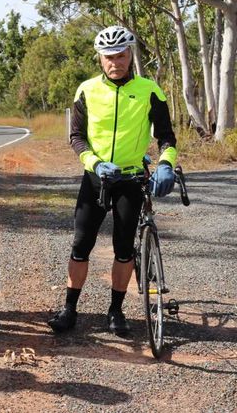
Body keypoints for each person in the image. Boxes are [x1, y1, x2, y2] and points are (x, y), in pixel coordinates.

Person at [48, 25, 178, 336]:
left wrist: (166, 165)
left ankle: (116, 310)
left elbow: (167, 138)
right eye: (108, 57)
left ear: (130, 55)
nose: (114, 62)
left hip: (131, 180)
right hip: (96, 179)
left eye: (120, 55)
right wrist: (93, 162)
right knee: (80, 245)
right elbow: (76, 137)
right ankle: (69, 308)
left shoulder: (150, 90)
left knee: (123, 249)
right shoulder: (87, 90)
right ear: (99, 59)